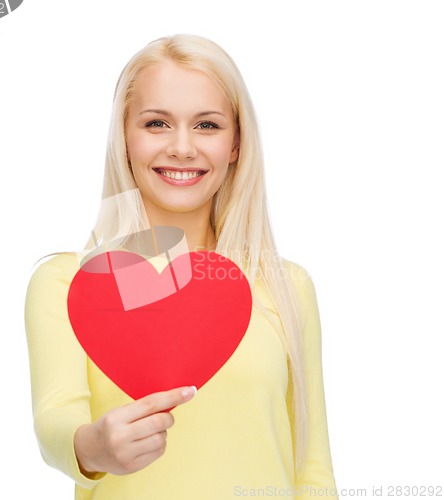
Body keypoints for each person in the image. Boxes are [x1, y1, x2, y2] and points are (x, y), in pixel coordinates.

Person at [25, 34, 338, 499]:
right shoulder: (68, 282)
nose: (182, 147)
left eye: (207, 126)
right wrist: (93, 448)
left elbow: (312, 472)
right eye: (156, 123)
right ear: (125, 138)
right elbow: (55, 422)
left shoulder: (286, 285)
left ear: (235, 144)